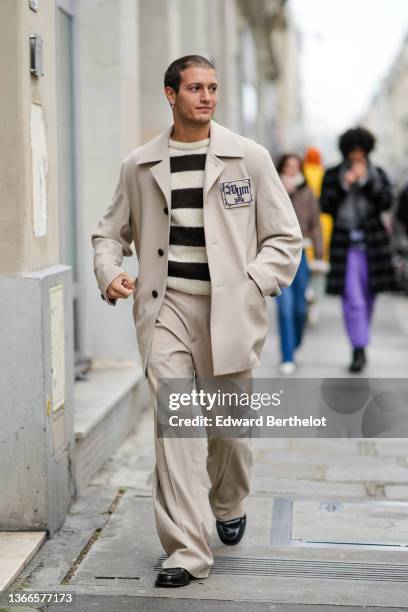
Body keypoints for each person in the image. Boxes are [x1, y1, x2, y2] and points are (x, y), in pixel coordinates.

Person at [91, 55, 302, 587]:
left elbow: (285, 238)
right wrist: (110, 271)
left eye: (212, 88)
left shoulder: (248, 159)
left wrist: (254, 282)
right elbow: (108, 234)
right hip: (167, 309)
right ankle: (187, 549)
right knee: (177, 430)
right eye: (194, 88)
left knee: (228, 430)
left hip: (230, 312)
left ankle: (228, 502)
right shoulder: (139, 165)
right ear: (171, 95)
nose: (206, 97)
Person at [320, 127, 394, 373]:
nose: (357, 156)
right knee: (353, 300)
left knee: (369, 298)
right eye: (353, 151)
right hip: (346, 246)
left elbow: (386, 202)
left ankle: (360, 341)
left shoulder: (378, 173)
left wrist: (364, 182)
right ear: (346, 151)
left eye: (361, 151)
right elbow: (326, 205)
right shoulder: (332, 174)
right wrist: (345, 184)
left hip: (373, 245)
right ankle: (359, 349)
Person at [275, 154, 323, 374]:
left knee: (300, 308)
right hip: (278, 253)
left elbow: (315, 223)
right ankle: (287, 355)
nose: (292, 170)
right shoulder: (273, 187)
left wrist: (320, 254)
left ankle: (294, 344)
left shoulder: (307, 191)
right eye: (288, 166)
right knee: (284, 307)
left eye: (296, 166)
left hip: (302, 253)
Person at [303, 147, 332, 325]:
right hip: (323, 225)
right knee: (318, 269)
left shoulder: (303, 173)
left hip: (305, 227)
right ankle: (314, 303)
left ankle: (306, 296)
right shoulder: (323, 174)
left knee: (303, 267)